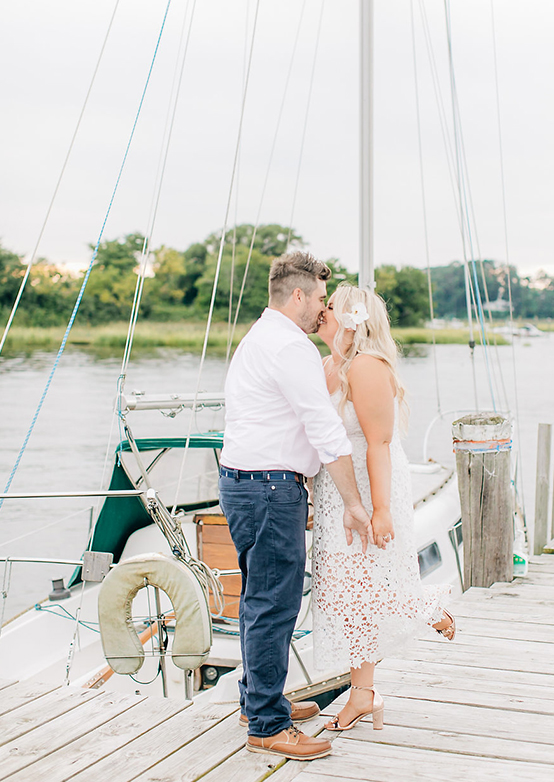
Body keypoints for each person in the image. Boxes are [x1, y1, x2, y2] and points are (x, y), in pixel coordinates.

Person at [218, 252, 375, 762]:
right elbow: (325, 432)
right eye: (320, 301)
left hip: (243, 482)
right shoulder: (289, 347)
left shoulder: (258, 338)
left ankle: (256, 700)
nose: (322, 311)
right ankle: (267, 725)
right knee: (274, 604)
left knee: (257, 598)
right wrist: (354, 503)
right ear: (299, 295)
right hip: (269, 489)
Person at [312, 285, 455, 732]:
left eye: (329, 307)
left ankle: (426, 605)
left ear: (352, 319)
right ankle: (363, 693)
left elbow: (378, 442)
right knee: (344, 589)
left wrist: (380, 510)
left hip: (371, 485)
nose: (321, 312)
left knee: (362, 585)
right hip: (337, 489)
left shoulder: (368, 368)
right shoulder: (326, 367)